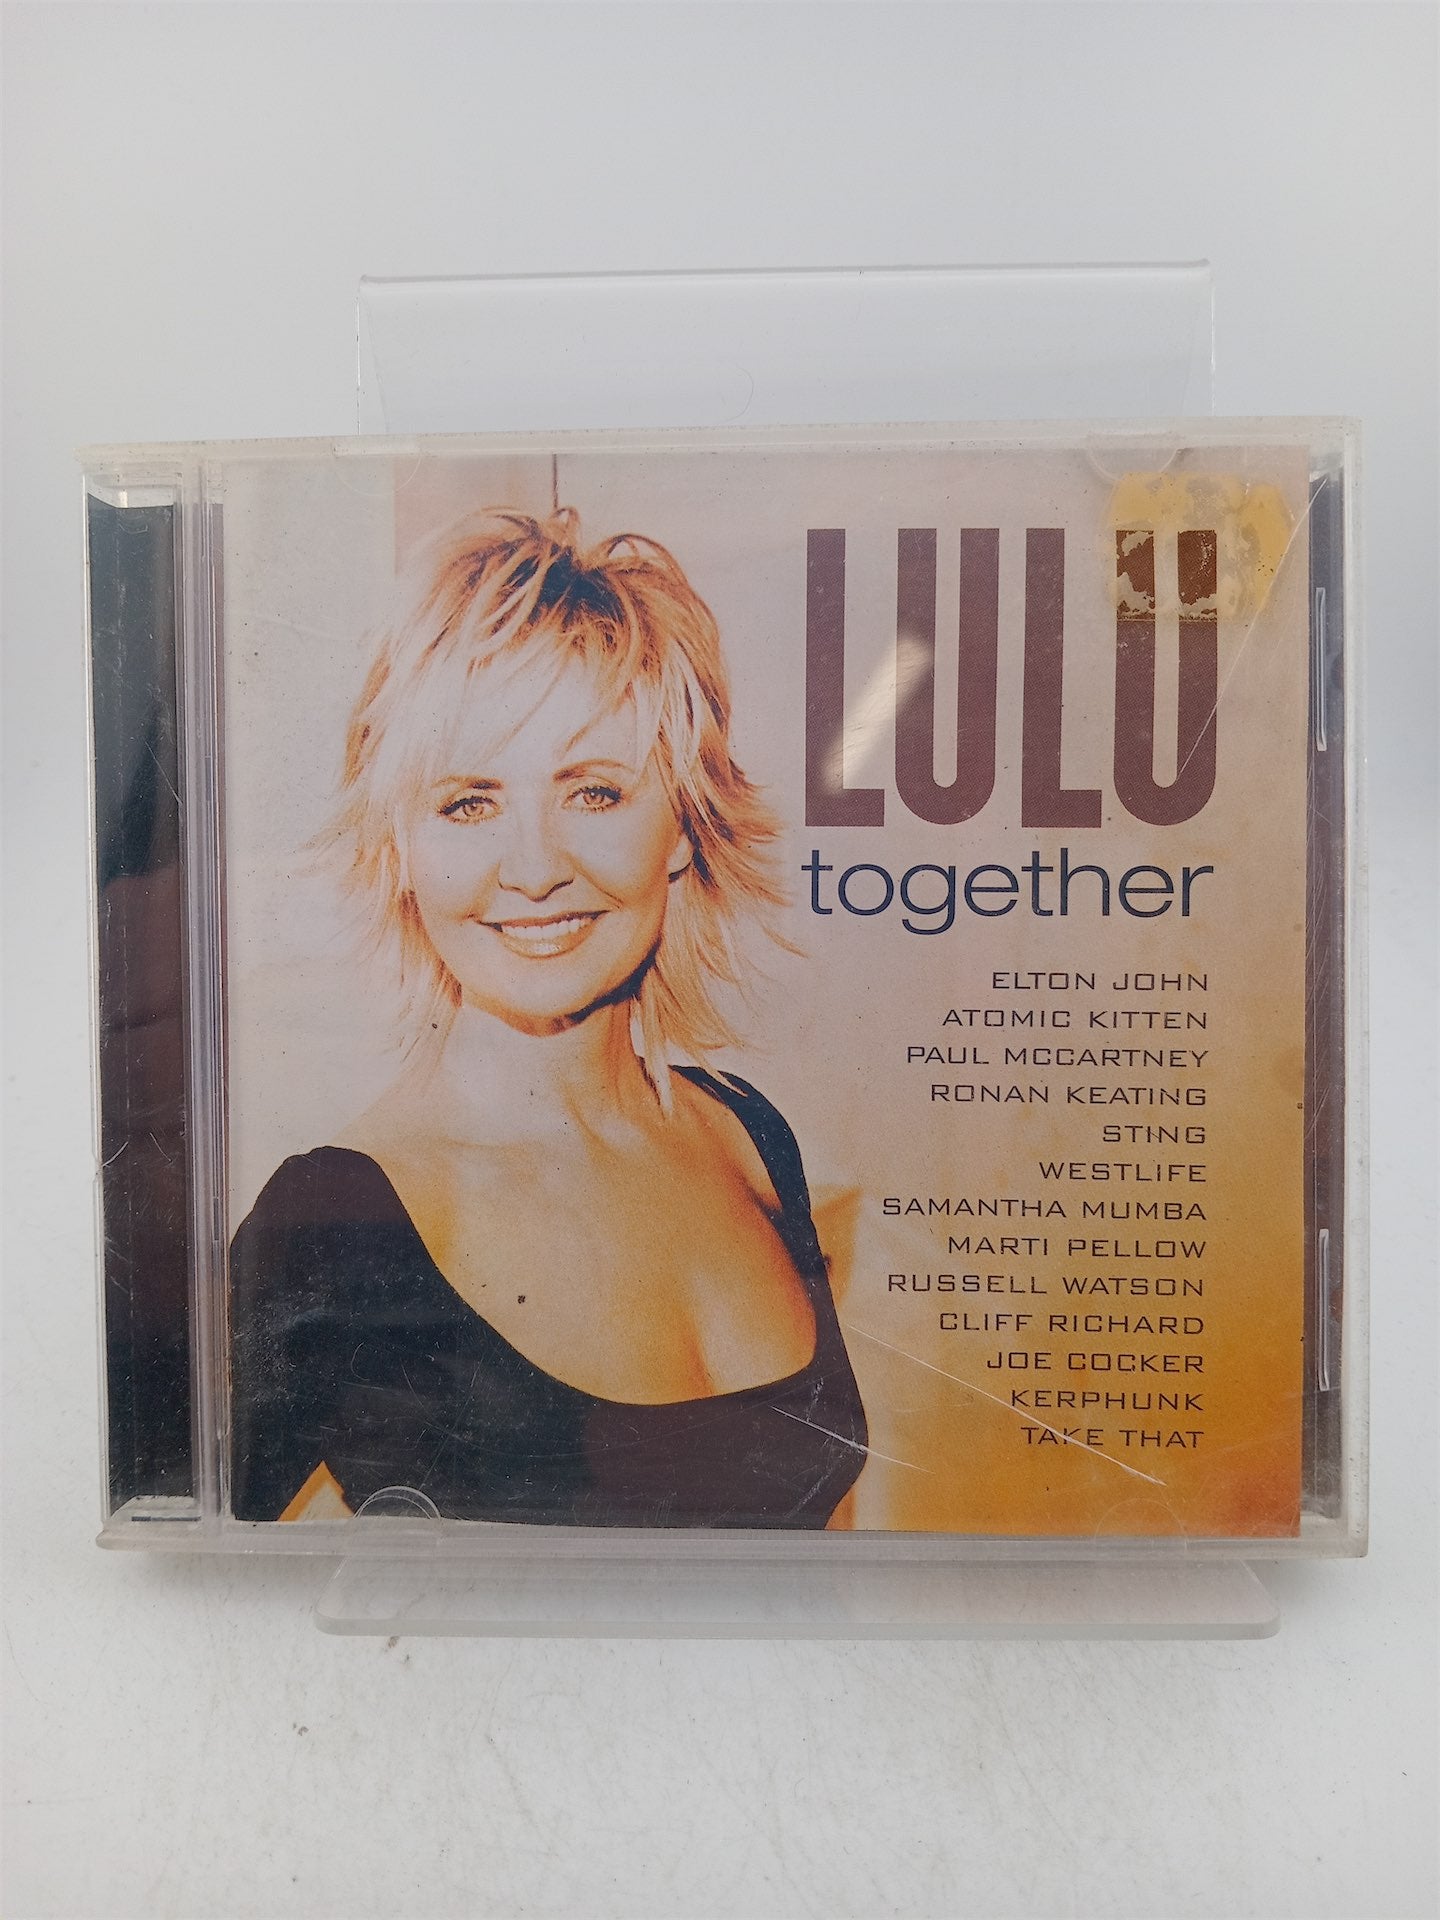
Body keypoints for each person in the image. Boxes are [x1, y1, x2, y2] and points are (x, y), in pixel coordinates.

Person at [229, 508, 867, 1528]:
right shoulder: (333, 1225)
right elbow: (165, 1582)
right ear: (401, 850)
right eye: (469, 803)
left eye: (595, 793)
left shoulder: (748, 1131)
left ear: (682, 825)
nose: (532, 870)